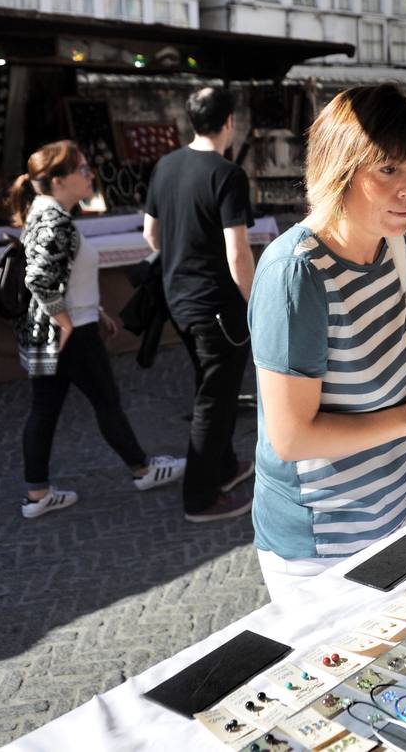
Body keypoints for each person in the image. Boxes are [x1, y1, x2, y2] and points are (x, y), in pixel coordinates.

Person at [247, 84, 406, 604]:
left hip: (400, 510)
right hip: (324, 546)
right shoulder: (296, 273)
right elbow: (292, 437)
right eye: (387, 169)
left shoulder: (385, 251)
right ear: (340, 167)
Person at [10, 141, 184, 518]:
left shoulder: (47, 213)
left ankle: (37, 494)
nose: (91, 175)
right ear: (59, 180)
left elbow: (61, 276)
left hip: (63, 328)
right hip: (71, 333)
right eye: (83, 169)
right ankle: (142, 469)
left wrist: (95, 309)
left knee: (45, 410)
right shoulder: (54, 218)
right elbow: (39, 279)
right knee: (105, 403)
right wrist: (68, 321)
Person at [144, 86, 255, 522]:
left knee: (216, 390)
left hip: (178, 300)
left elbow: (150, 235)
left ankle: (225, 467)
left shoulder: (166, 165)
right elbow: (237, 252)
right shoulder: (227, 174)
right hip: (218, 306)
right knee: (214, 398)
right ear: (229, 121)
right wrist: (254, 302)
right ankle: (200, 496)